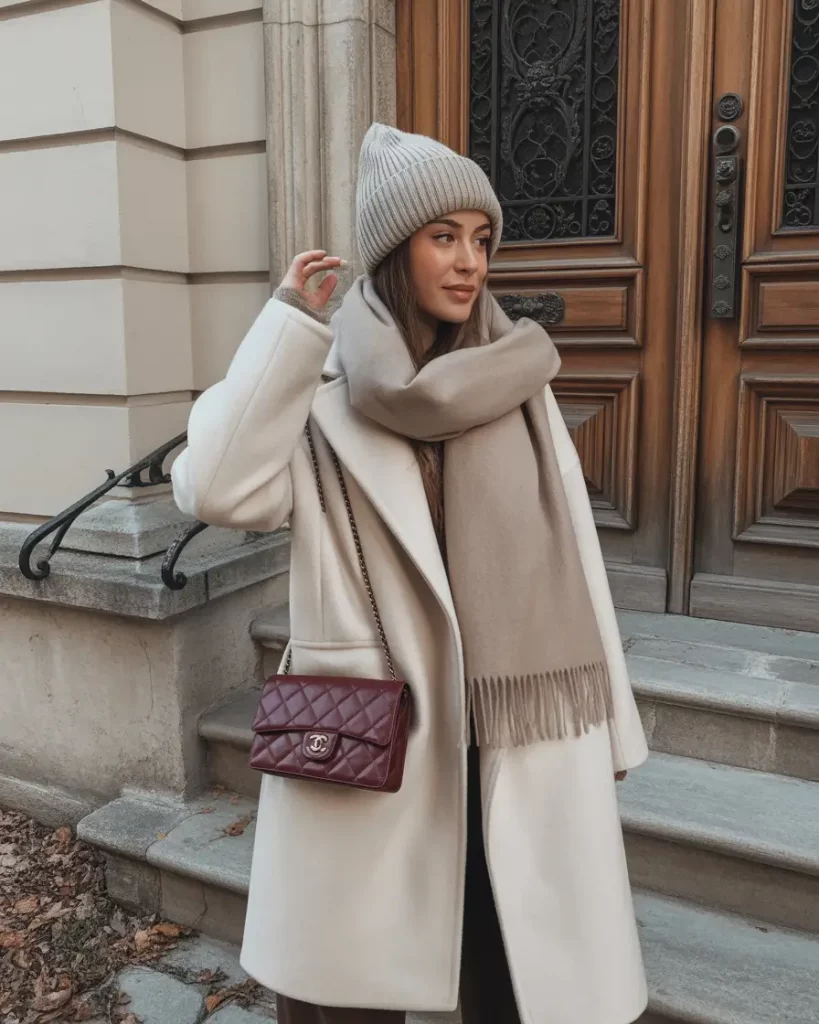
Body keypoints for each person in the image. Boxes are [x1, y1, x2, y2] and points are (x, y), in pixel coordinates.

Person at [171, 123, 649, 1024]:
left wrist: (612, 728)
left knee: (517, 968)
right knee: (348, 985)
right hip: (382, 729)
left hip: (514, 729)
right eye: (442, 236)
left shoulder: (518, 374)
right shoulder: (319, 389)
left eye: (480, 238)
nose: (468, 262)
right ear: (396, 248)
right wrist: (287, 329)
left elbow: (576, 556)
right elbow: (218, 489)